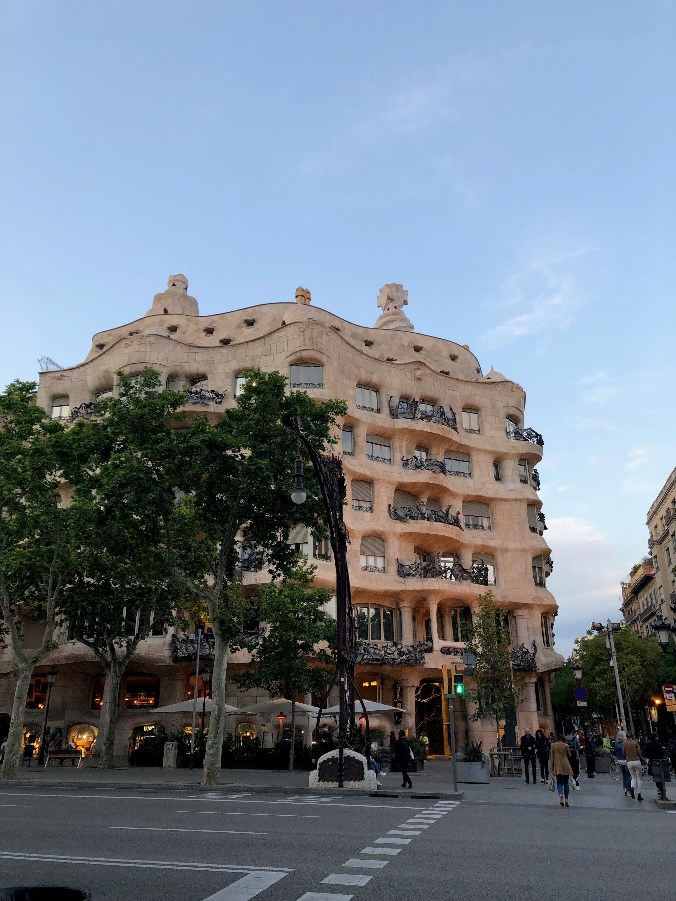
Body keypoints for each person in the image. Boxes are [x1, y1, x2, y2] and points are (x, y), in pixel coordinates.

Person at [549, 733, 574, 807]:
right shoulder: (566, 745)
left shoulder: (553, 745)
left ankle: (560, 795)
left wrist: (552, 767)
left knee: (559, 782)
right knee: (566, 783)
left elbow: (552, 757)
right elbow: (569, 755)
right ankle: (566, 799)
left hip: (557, 766)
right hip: (566, 765)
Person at [644, 732, 669, 801]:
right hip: (660, 761)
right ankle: (662, 790)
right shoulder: (658, 744)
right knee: (661, 776)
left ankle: (659, 788)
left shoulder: (648, 744)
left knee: (656, 776)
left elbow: (646, 752)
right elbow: (661, 753)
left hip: (652, 762)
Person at [622, 731, 646, 801]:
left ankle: (632, 787)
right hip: (636, 760)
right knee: (639, 778)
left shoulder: (624, 743)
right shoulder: (635, 742)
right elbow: (639, 752)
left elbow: (623, 753)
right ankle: (639, 794)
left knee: (633, 777)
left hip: (629, 761)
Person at [614, 729, 632, 796]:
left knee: (624, 775)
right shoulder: (625, 744)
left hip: (620, 761)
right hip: (626, 760)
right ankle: (628, 789)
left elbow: (616, 753)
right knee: (628, 775)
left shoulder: (616, 744)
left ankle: (625, 788)